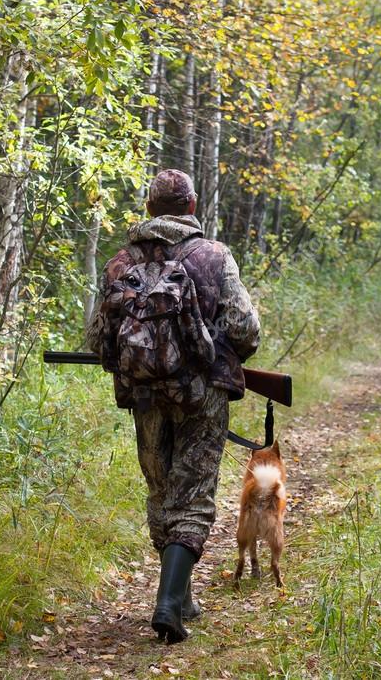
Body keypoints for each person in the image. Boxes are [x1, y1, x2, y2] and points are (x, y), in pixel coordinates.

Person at [85, 169, 260, 643]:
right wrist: (214, 356)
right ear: (192, 204)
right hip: (202, 396)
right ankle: (169, 604)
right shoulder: (213, 256)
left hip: (144, 396)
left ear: (148, 208)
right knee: (194, 492)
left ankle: (178, 596)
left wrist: (140, 364)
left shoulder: (120, 262)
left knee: (161, 490)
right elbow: (246, 330)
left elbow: (99, 337)